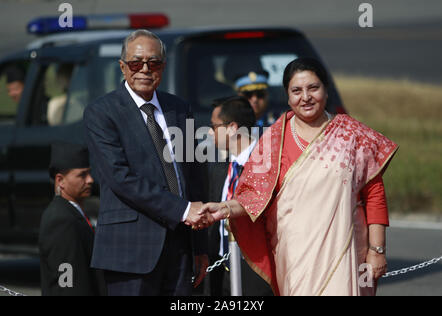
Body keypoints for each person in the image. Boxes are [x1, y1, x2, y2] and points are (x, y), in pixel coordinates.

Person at [200, 57, 398, 296]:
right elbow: (253, 195)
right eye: (296, 91)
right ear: (287, 96)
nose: (305, 97)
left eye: (313, 88)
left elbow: (374, 193)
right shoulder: (274, 139)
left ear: (326, 90)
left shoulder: (352, 135)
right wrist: (224, 208)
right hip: (294, 256)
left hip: (345, 251)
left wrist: (377, 250)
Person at [83, 29, 210, 296]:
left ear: (163, 67)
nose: (144, 69)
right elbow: (120, 178)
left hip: (180, 247)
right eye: (135, 63)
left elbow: (193, 175)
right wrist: (182, 209)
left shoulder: (179, 108)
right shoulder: (102, 113)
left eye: (153, 63)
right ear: (122, 66)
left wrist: (199, 247)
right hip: (131, 250)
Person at [207, 96, 273, 296]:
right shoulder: (219, 169)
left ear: (232, 128)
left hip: (256, 267)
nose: (210, 132)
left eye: (214, 126)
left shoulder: (266, 166)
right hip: (221, 267)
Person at [39, 142, 106, 296]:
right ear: (60, 180)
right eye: (82, 175)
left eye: (89, 173)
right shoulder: (61, 220)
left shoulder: (71, 211)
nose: (90, 180)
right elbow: (66, 282)